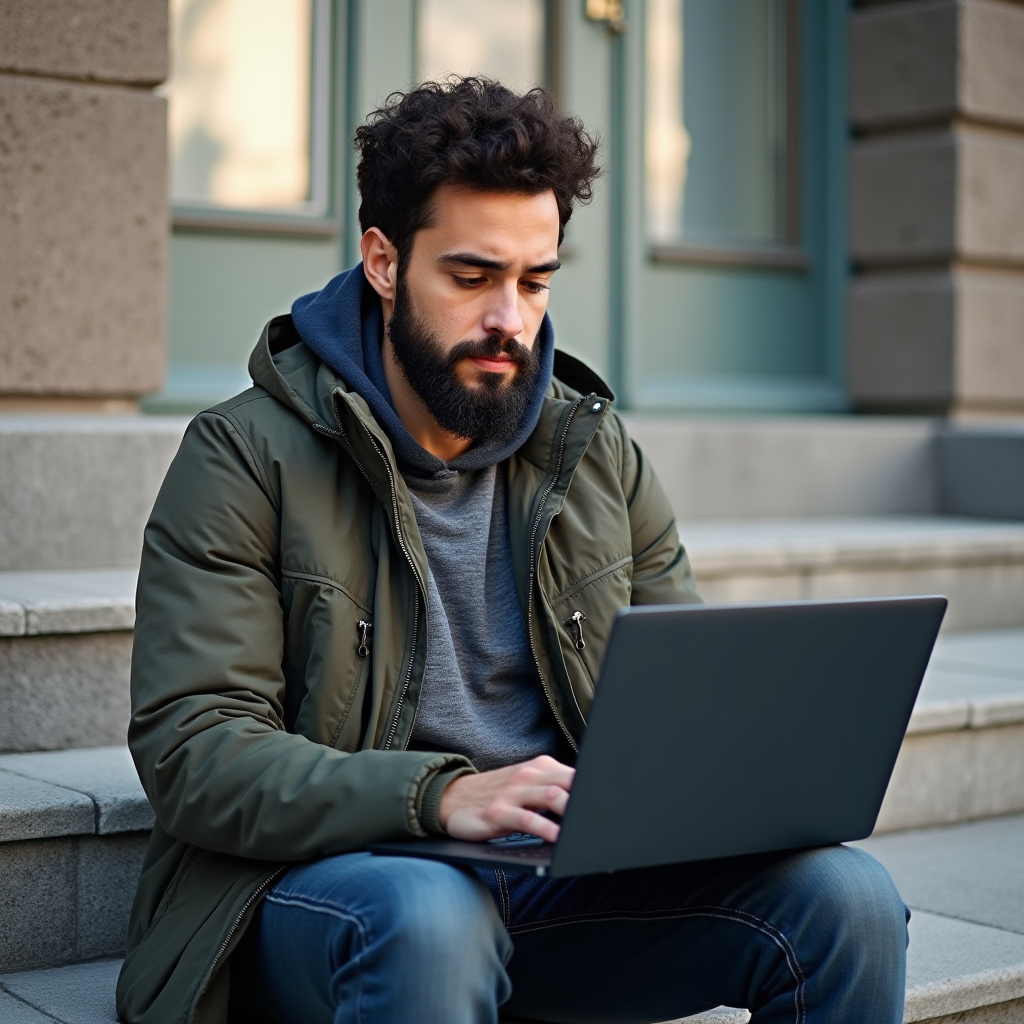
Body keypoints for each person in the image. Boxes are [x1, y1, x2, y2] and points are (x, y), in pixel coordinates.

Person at [117, 78, 909, 1024]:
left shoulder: (594, 450)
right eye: (472, 277)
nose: (511, 320)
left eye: (535, 281)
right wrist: (438, 796)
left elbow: (684, 709)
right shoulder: (245, 454)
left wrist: (733, 788)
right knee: (431, 918)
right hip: (330, 892)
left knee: (847, 903)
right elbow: (197, 754)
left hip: (546, 887)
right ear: (381, 261)